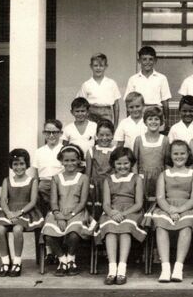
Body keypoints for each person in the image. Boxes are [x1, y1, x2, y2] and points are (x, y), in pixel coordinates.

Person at [147, 140, 193, 282]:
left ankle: (178, 267)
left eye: (182, 153)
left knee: (186, 224)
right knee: (160, 224)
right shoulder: (164, 174)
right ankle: (165, 268)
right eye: (175, 154)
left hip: (187, 207)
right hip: (166, 207)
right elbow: (160, 197)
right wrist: (170, 210)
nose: (179, 157)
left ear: (188, 155)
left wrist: (179, 210)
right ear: (170, 155)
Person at [0, 149, 43, 277]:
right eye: (15, 164)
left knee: (17, 230)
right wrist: (8, 213)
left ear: (27, 164)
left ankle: (17, 262)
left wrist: (19, 212)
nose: (19, 167)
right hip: (9, 211)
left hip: (26, 212)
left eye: (22, 164)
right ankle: (5, 262)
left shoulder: (33, 181)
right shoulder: (7, 180)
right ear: (11, 165)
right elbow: (3, 201)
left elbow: (33, 202)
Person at [41, 144, 95, 276]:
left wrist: (69, 215)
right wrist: (58, 216)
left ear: (78, 161)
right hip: (58, 211)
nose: (69, 163)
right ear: (61, 161)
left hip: (77, 212)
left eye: (73, 160)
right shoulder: (56, 178)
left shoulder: (83, 178)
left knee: (74, 234)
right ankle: (62, 260)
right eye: (66, 160)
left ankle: (71, 259)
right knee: (49, 234)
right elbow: (53, 201)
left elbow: (82, 202)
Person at [96, 147, 146, 285]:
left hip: (131, 212)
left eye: (126, 163)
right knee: (110, 228)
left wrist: (123, 214)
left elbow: (139, 203)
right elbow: (106, 203)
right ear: (113, 164)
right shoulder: (108, 180)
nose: (122, 166)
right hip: (112, 211)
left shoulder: (136, 178)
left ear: (131, 163)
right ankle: (112, 269)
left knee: (125, 227)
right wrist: (112, 213)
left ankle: (122, 268)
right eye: (119, 163)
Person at [32, 119, 64, 264]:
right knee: (46, 218)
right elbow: (36, 176)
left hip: (61, 186)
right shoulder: (39, 152)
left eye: (55, 132)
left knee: (58, 216)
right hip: (44, 186)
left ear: (61, 133)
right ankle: (50, 252)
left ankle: (61, 251)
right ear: (44, 133)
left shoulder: (64, 150)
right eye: (48, 132)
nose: (51, 135)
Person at [124, 46, 171, 131]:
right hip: (139, 112)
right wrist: (128, 119)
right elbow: (129, 101)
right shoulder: (133, 79)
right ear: (139, 61)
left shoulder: (161, 78)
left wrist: (166, 120)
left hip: (156, 112)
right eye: (144, 59)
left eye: (150, 59)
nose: (147, 62)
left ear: (155, 60)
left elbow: (165, 102)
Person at [133, 106, 170, 200]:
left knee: (158, 203)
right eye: (150, 119)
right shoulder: (139, 140)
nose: (153, 122)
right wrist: (136, 179)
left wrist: (166, 180)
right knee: (142, 202)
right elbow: (134, 163)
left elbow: (167, 163)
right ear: (145, 122)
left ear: (161, 122)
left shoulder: (165, 140)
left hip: (159, 178)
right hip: (143, 178)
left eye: (156, 119)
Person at [76, 53, 121, 129]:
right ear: (91, 66)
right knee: (91, 136)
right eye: (95, 65)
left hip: (106, 113)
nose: (98, 68)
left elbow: (116, 105)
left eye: (101, 66)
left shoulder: (111, 83)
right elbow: (81, 104)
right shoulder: (86, 84)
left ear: (106, 66)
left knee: (105, 135)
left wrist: (116, 125)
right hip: (91, 113)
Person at [85, 119, 116, 220]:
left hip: (111, 186)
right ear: (97, 135)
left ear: (112, 135)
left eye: (108, 135)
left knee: (109, 211)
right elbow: (87, 174)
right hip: (96, 187)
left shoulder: (115, 151)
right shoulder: (91, 151)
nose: (104, 138)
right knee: (95, 212)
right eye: (101, 135)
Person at [61, 97, 97, 166]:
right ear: (72, 112)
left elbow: (97, 145)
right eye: (77, 111)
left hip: (91, 163)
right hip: (73, 164)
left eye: (83, 111)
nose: (80, 114)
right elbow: (64, 148)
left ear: (88, 112)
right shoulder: (68, 128)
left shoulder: (94, 126)